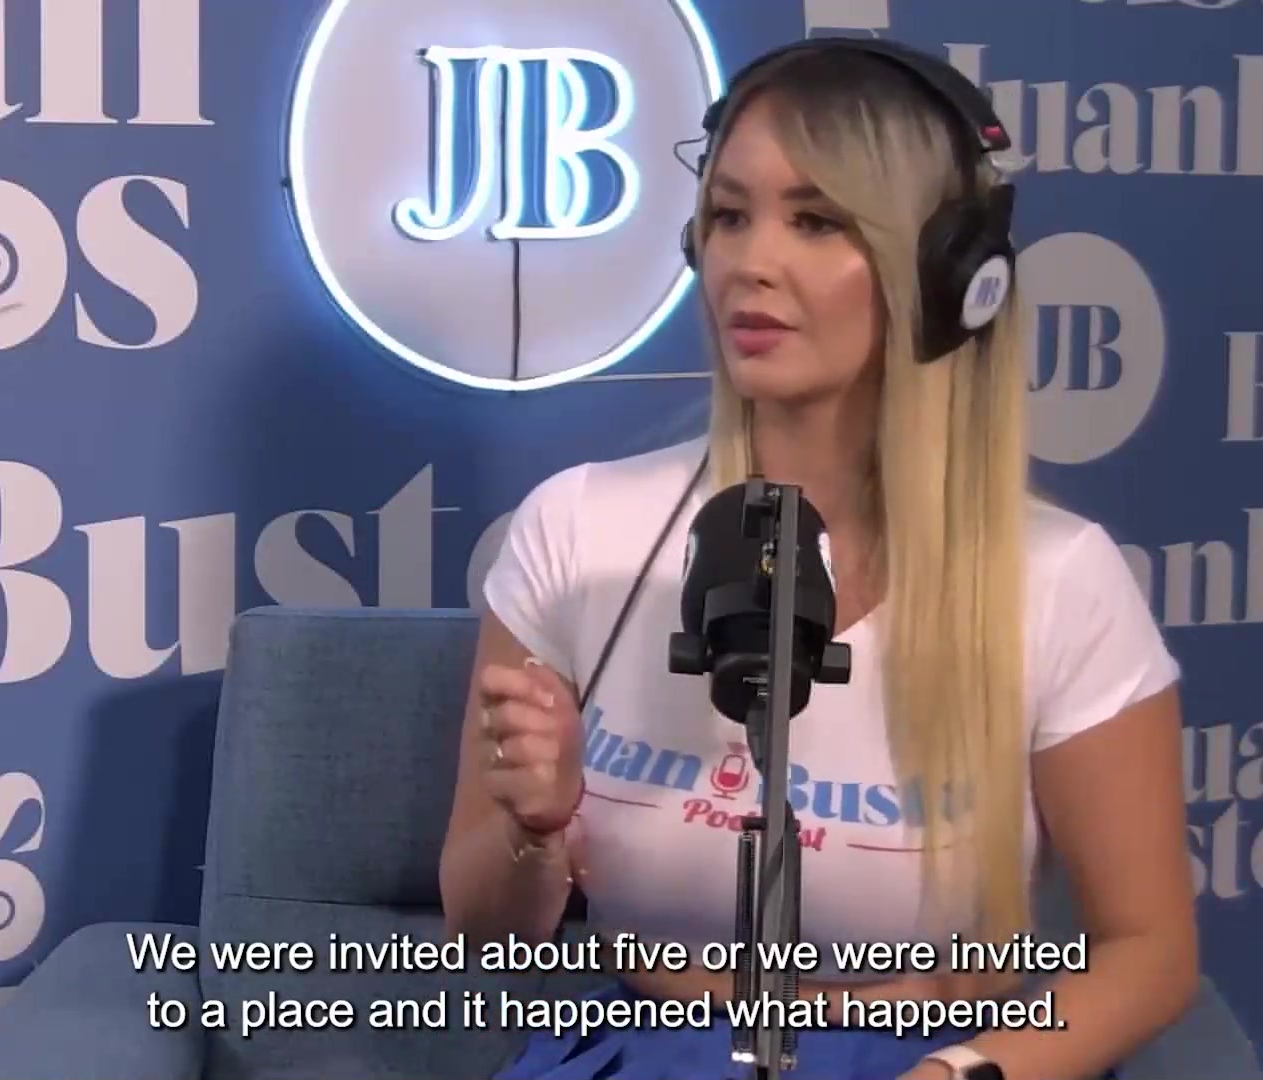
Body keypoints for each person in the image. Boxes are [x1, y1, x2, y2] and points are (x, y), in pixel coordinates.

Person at [437, 38, 1197, 1080]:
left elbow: (1147, 954)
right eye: (729, 216)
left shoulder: (1060, 581)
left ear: (948, 274)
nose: (751, 263)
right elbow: (486, 934)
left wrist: (956, 1076)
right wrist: (535, 828)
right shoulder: (577, 531)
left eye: (817, 221)